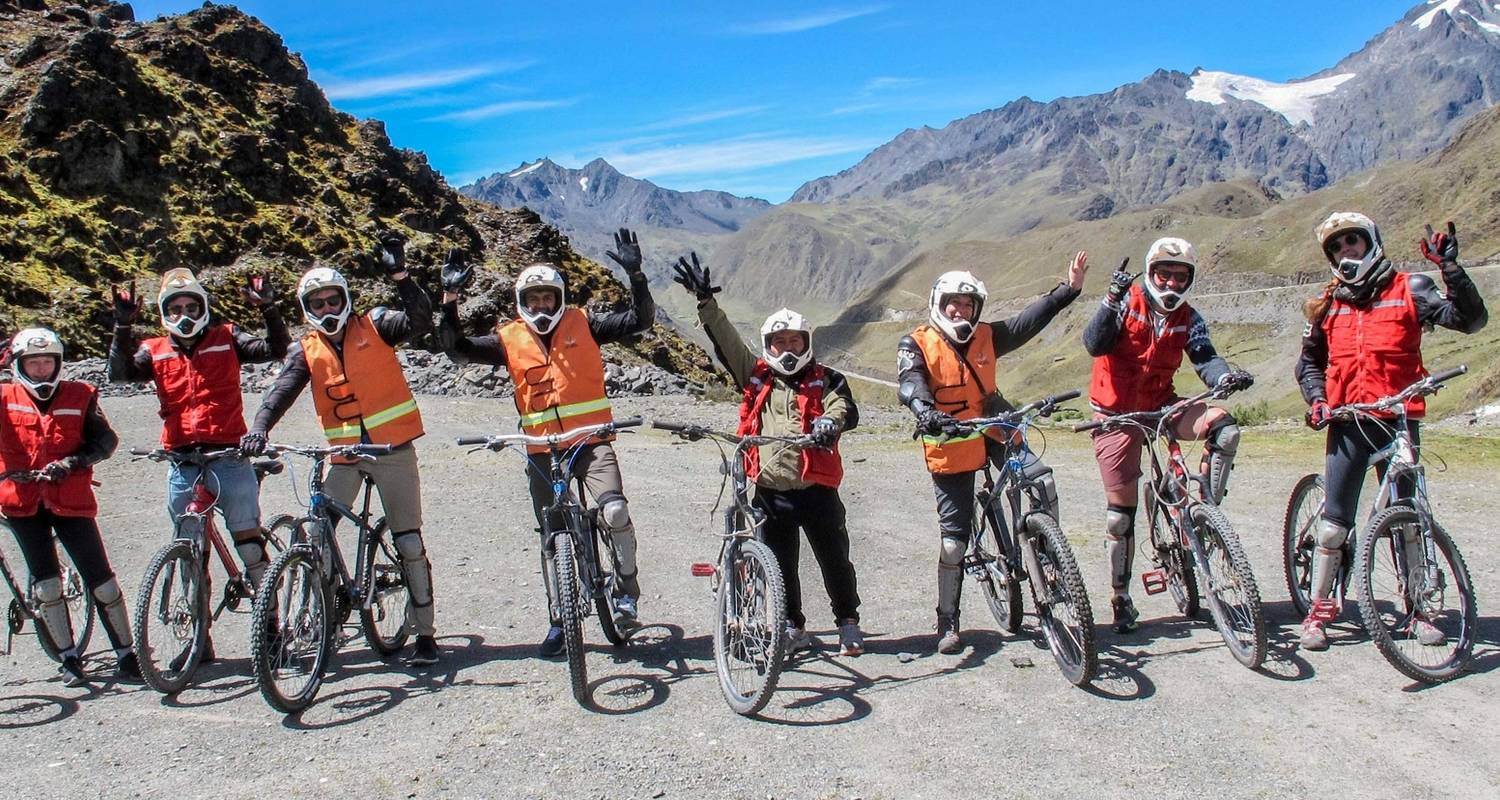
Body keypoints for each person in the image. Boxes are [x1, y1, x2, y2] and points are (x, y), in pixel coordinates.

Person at [438, 229, 655, 657]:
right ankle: (560, 619)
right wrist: (449, 298)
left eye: (548, 298)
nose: (541, 306)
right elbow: (457, 350)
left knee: (614, 509)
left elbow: (640, 320)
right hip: (540, 450)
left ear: (559, 298)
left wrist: (636, 276)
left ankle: (627, 592)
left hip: (590, 442)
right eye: (533, 299)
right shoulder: (507, 338)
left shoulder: (585, 323)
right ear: (522, 301)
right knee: (552, 535)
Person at [240, 233, 441, 667]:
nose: (328, 310)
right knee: (319, 532)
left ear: (346, 298)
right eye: (318, 304)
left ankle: (424, 631)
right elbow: (280, 393)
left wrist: (401, 278)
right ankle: (329, 611)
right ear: (307, 309)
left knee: (408, 541)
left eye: (334, 301)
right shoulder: (305, 350)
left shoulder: (377, 324)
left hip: (393, 451)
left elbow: (421, 322)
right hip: (346, 454)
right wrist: (258, 427)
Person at [1294, 213, 1487, 651]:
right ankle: (1319, 611)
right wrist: (1318, 399)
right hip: (1347, 423)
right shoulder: (1327, 306)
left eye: (1353, 242)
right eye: (1337, 247)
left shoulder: (1410, 289)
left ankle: (1418, 608)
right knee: (1333, 527)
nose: (1346, 252)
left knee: (1409, 522)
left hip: (1397, 420)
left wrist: (1451, 270)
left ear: (1372, 242)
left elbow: (1470, 320)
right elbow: (1308, 364)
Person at [674, 253, 865, 655]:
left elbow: (843, 407)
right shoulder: (756, 374)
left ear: (807, 343)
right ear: (768, 345)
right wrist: (707, 303)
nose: (788, 348)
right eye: (780, 342)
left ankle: (848, 621)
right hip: (770, 491)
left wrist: (830, 423)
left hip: (817, 489)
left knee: (835, 559)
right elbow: (726, 341)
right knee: (780, 567)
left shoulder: (828, 378)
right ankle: (793, 627)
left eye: (795, 341)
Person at [897, 254, 1088, 654]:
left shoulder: (986, 335)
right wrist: (926, 413)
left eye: (967, 304)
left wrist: (1067, 290)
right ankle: (947, 619)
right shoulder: (916, 342)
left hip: (992, 419)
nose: (959, 310)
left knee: (1041, 478)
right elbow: (911, 382)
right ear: (938, 302)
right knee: (954, 543)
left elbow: (1026, 322)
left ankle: (1050, 558)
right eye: (953, 302)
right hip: (949, 434)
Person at [108, 268, 288, 662]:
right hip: (183, 462)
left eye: (192, 306)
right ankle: (198, 642)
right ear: (163, 313)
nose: (184, 314)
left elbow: (276, 350)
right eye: (175, 308)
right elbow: (119, 376)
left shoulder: (227, 337)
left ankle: (272, 630)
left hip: (230, 458)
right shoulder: (153, 349)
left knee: (250, 548)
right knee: (191, 554)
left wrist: (270, 309)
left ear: (205, 307)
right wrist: (122, 328)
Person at [1082, 237, 1251, 634]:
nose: (1172, 284)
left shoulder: (1189, 317)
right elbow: (1094, 343)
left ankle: (1205, 511)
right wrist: (1110, 299)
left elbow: (1205, 356)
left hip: (1162, 405)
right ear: (1150, 272)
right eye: (1164, 274)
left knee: (1224, 429)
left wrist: (1223, 376)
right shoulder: (1128, 301)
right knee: (1120, 519)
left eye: (1180, 276)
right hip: (1115, 413)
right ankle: (1121, 597)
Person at [1, 328, 140, 685]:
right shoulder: (3, 398)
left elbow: (106, 441)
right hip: (22, 503)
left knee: (102, 580)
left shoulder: (81, 394)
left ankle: (127, 654)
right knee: (47, 585)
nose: (42, 370)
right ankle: (68, 658)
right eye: (34, 364)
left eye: (48, 362)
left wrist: (74, 462)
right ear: (19, 364)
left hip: (71, 499)